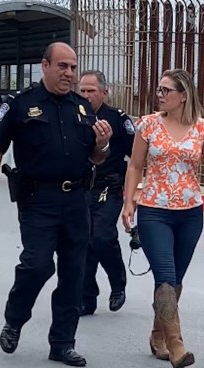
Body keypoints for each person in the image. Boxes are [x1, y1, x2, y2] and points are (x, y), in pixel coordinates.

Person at [0, 42, 111, 368]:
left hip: (76, 200)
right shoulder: (20, 104)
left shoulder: (82, 108)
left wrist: (102, 144)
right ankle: (14, 318)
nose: (69, 73)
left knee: (74, 273)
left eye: (73, 67)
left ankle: (62, 343)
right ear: (45, 66)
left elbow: (97, 158)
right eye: (62, 66)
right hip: (38, 200)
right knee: (37, 265)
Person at [121, 68, 204, 368]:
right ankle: (176, 345)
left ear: (183, 96)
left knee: (175, 280)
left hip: (190, 214)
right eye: (158, 89)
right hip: (154, 209)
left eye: (166, 90)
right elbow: (136, 167)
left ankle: (158, 335)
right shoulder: (148, 125)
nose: (160, 94)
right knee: (165, 276)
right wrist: (129, 202)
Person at [77, 70, 135, 316]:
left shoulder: (118, 119)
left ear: (104, 92)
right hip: (81, 188)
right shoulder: (73, 114)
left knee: (101, 236)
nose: (86, 95)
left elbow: (137, 159)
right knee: (83, 243)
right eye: (82, 90)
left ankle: (117, 285)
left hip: (109, 187)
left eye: (91, 90)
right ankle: (86, 297)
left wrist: (136, 194)